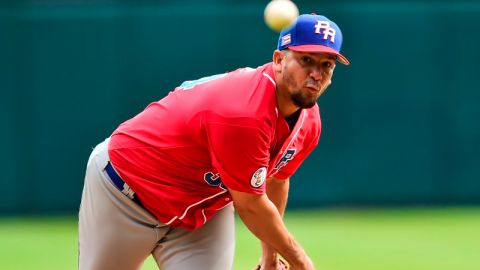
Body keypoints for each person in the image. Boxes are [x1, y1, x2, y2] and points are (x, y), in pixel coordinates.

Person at [78, 13, 349, 270]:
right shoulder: (244, 112)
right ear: (278, 59)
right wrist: (300, 261)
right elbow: (251, 205)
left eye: (326, 65)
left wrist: (270, 256)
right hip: (126, 190)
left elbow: (275, 180)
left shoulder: (309, 122)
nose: (317, 74)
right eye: (306, 61)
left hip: (202, 206)